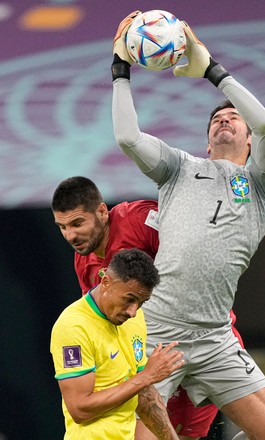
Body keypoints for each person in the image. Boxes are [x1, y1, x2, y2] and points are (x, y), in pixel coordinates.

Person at [111, 10, 265, 440]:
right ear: (207, 138)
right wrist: (120, 70)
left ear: (250, 141)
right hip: (158, 331)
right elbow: (127, 138)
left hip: (215, 336)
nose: (225, 119)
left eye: (235, 118)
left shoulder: (262, 184)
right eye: (217, 118)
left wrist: (213, 72)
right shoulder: (179, 168)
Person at [52, 175, 244, 439]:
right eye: (62, 227)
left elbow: (195, 249)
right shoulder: (83, 269)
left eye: (76, 223)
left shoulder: (138, 220)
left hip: (204, 338)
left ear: (101, 212)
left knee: (195, 432)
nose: (70, 235)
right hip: (149, 355)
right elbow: (100, 326)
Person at [50, 248, 184, 440]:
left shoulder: (135, 320)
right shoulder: (73, 326)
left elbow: (144, 395)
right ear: (106, 282)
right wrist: (146, 377)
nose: (133, 311)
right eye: (129, 300)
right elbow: (79, 409)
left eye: (141, 303)